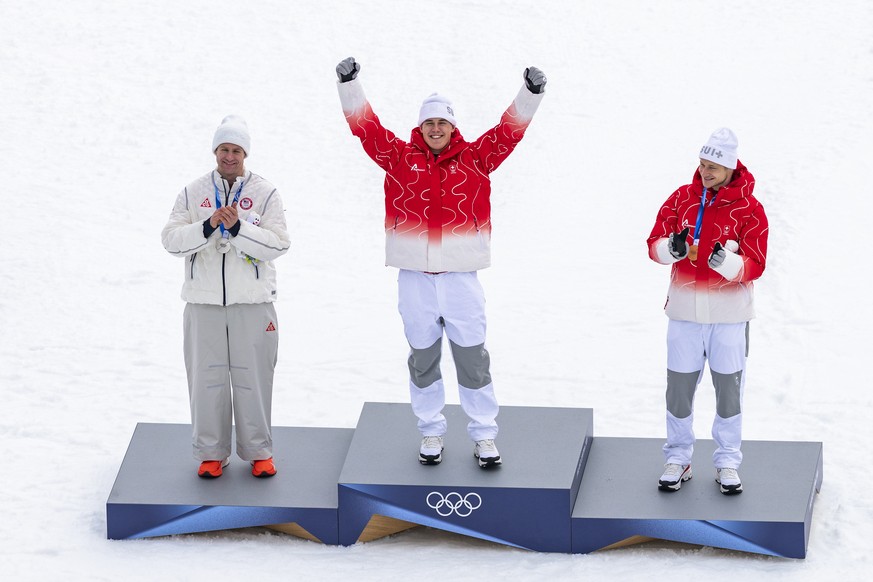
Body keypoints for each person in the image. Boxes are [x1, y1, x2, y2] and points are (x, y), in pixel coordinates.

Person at [335, 57, 547, 468]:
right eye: (429, 123)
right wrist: (349, 84)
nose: (436, 129)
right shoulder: (399, 158)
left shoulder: (476, 159)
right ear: (421, 127)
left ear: (453, 127)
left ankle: (484, 435)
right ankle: (431, 431)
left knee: (472, 358)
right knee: (423, 358)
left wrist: (530, 94)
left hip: (460, 279)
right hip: (414, 278)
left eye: (442, 123)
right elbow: (366, 129)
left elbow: (509, 133)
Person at [161, 115, 290, 479]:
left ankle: (259, 452)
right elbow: (170, 240)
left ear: (245, 152)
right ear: (215, 151)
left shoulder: (265, 193)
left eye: (235, 150)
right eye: (223, 149)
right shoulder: (193, 192)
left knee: (254, 378)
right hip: (203, 303)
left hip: (252, 302)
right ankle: (210, 453)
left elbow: (279, 243)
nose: (229, 156)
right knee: (206, 379)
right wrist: (207, 226)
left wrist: (237, 227)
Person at [646, 128, 768, 495]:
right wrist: (673, 248)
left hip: (729, 318)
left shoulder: (751, 209)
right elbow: (653, 245)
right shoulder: (681, 199)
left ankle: (728, 461)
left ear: (730, 167)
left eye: (713, 166)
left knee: (729, 392)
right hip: (684, 313)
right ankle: (678, 457)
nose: (705, 172)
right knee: (678, 390)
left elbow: (757, 263)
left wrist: (728, 263)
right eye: (701, 164)